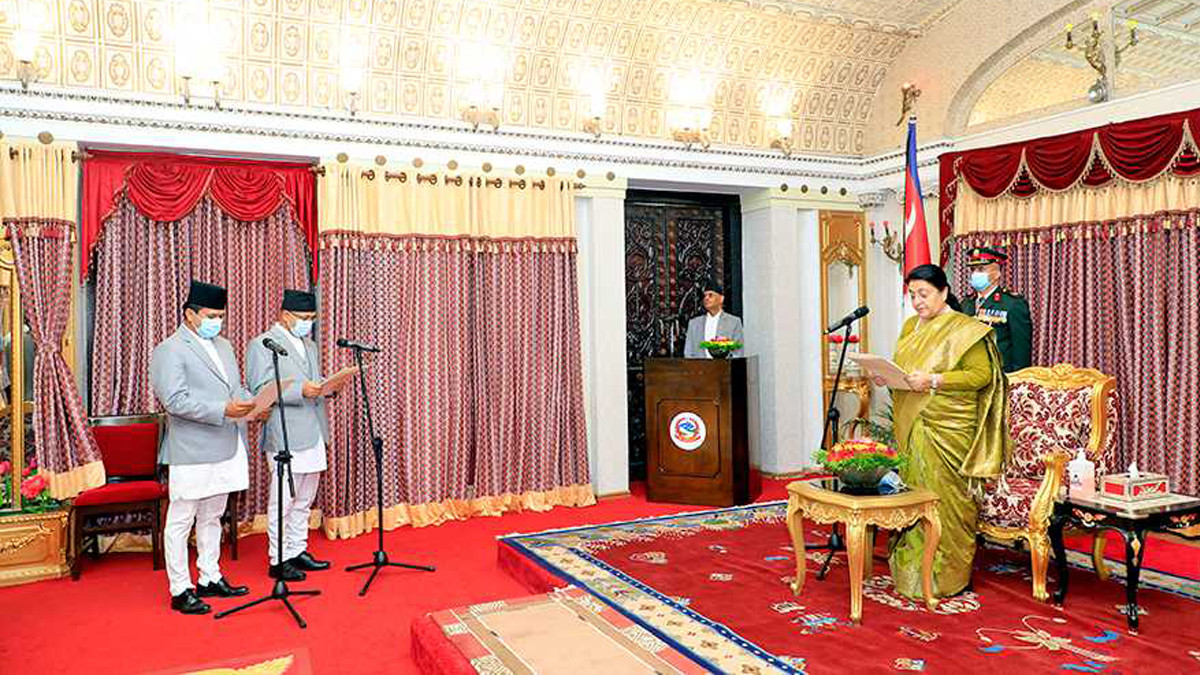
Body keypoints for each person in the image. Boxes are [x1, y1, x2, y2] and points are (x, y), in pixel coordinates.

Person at [874, 264, 1009, 599]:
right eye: (912, 295)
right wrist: (887, 378)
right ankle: (911, 571)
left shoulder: (967, 330)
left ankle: (946, 576)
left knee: (946, 502)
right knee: (913, 496)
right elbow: (905, 371)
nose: (918, 302)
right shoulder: (910, 326)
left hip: (948, 427)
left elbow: (980, 376)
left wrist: (934, 381)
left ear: (944, 293)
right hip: (913, 424)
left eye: (924, 294)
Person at [150, 280, 253, 615]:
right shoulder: (170, 349)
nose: (217, 322)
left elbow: (236, 388)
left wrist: (253, 404)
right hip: (191, 450)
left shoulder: (224, 346)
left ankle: (210, 576)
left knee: (212, 517)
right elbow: (175, 400)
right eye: (211, 315)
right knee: (181, 521)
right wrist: (222, 409)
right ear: (190, 315)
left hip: (226, 444)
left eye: (221, 315)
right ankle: (181, 588)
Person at [245, 289, 332, 582]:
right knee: (283, 500)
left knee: (305, 498)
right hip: (286, 432)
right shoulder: (262, 344)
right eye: (303, 318)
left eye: (312, 318)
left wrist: (327, 387)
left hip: (314, 429)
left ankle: (297, 550)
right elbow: (261, 389)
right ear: (285, 316)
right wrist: (300, 390)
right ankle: (278, 558)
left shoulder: (309, 345)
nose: (308, 323)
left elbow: (314, 382)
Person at [960, 246, 1032, 372]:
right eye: (973, 270)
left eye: (981, 269)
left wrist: (1018, 378)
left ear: (997, 273)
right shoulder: (967, 303)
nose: (975, 274)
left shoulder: (1012, 303)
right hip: (970, 374)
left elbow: (1021, 348)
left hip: (1000, 374)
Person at [683, 280, 744, 358]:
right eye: (705, 296)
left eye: (710, 295)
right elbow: (688, 352)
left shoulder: (734, 322)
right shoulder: (694, 323)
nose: (706, 298)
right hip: (699, 368)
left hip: (723, 368)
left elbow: (737, 353)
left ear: (721, 299)